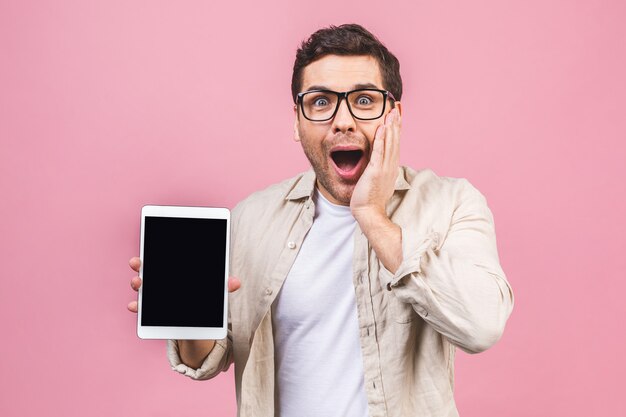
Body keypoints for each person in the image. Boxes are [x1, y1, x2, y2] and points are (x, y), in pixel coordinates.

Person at [128, 23, 514, 417]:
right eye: (321, 101)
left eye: (364, 100)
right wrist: (185, 315)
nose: (343, 121)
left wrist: (371, 215)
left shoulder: (452, 204)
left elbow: (480, 326)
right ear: (297, 121)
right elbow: (209, 359)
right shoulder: (252, 217)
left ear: (395, 115)